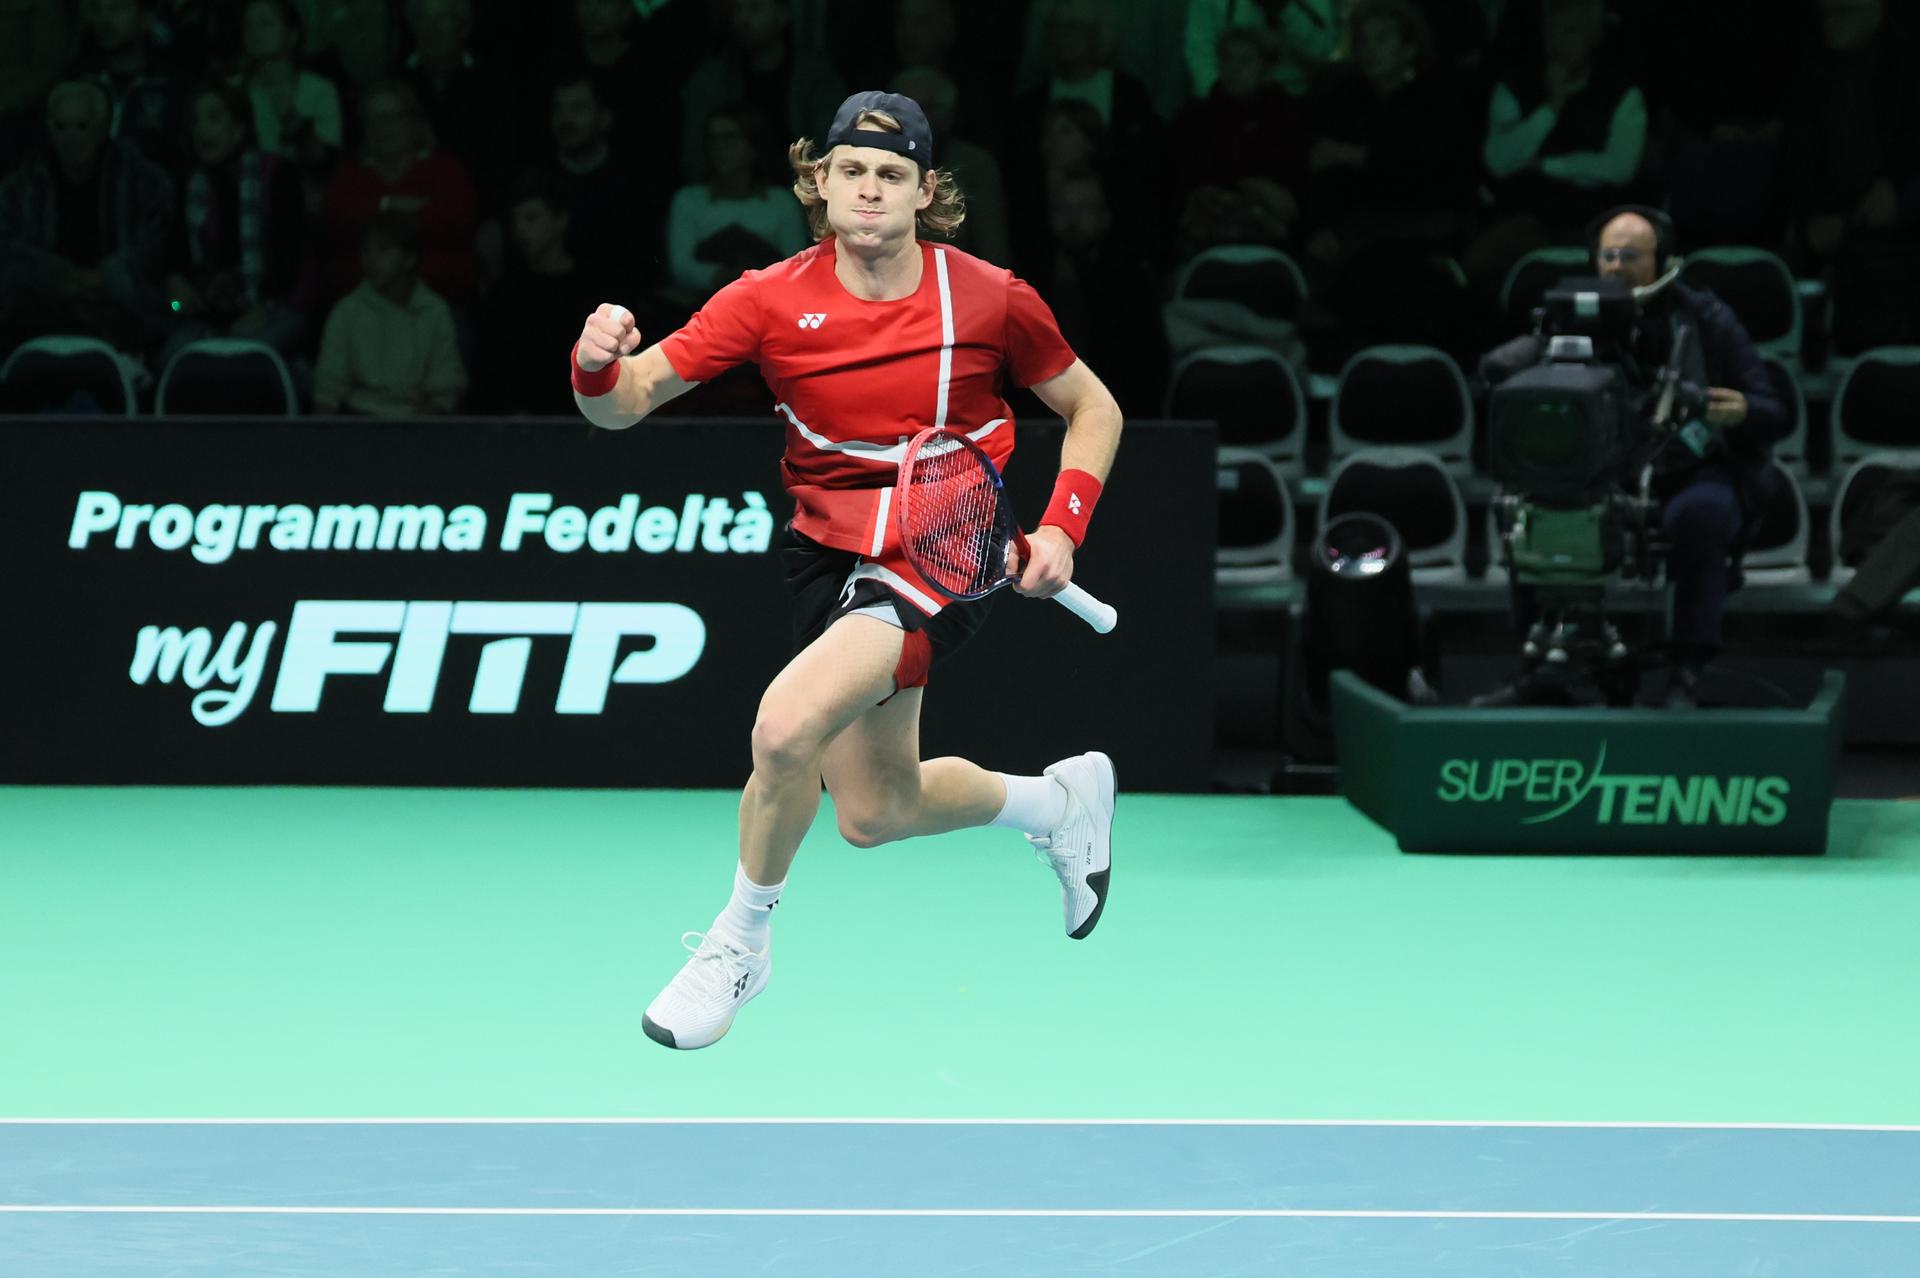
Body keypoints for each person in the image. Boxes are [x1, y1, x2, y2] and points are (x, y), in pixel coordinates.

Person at [571, 91, 1122, 1051]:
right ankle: (1057, 802)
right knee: (874, 810)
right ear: (819, 184)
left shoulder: (986, 296)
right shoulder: (767, 298)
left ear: (923, 193)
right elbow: (629, 401)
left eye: (892, 175)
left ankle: (739, 944)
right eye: (852, 172)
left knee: (784, 729)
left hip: (941, 552)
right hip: (828, 556)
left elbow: (1094, 410)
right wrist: (593, 368)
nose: (870, 190)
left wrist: (1065, 526)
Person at [1480, 206, 1788, 706]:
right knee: (1523, 507)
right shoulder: (1568, 314)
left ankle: (1687, 668)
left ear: (1665, 263)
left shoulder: (1706, 319)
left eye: (1631, 256)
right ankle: (1539, 660)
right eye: (1608, 255)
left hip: (1687, 471)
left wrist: (1742, 412)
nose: (1617, 267)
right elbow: (1504, 370)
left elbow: (1775, 412)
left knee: (1703, 516)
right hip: (1599, 473)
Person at [313, 208, 465, 414]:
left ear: (409, 258)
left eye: (383, 249)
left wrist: (424, 428)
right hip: (359, 424)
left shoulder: (435, 312)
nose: (371, 259)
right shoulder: (346, 312)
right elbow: (327, 388)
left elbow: (444, 389)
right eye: (365, 250)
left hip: (416, 427)